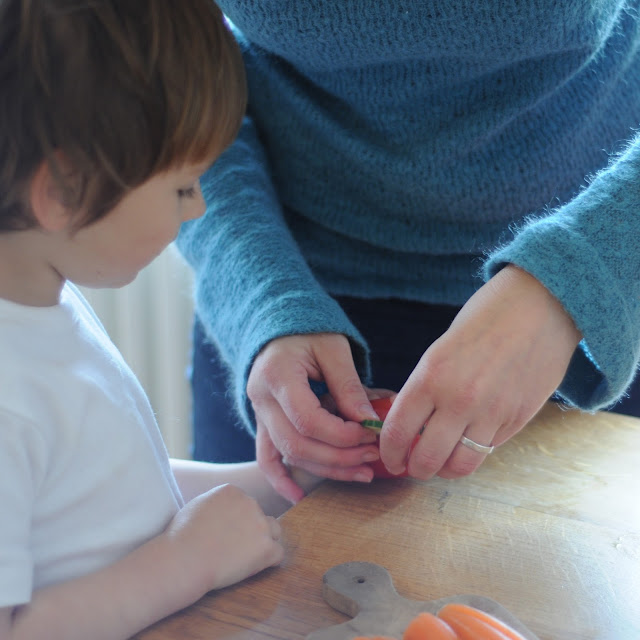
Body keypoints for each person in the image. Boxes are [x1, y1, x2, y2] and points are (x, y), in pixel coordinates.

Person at [177, 1, 640, 504]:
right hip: (284, 304)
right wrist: (260, 300)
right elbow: (154, 83)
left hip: (603, 300)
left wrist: (579, 279)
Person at [0, 2, 320, 639]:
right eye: (182, 187)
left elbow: (99, 497)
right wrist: (186, 561)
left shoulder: (43, 302)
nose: (200, 206)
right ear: (63, 189)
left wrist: (279, 478)